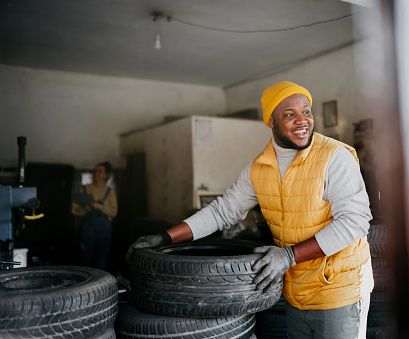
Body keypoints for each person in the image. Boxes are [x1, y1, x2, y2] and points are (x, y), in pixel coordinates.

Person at [125, 81, 373, 339]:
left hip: (342, 289)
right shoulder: (259, 168)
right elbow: (221, 212)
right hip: (296, 290)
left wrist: (288, 257)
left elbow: (355, 222)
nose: (302, 120)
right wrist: (164, 238)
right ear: (271, 122)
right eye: (290, 114)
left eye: (306, 111)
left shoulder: (335, 157)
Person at [73, 162, 118, 270]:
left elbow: (113, 212)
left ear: (106, 175)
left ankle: (101, 285)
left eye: (100, 171)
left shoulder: (109, 191)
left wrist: (98, 206)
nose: (96, 173)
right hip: (87, 230)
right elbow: (75, 211)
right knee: (85, 261)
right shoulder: (83, 189)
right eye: (95, 170)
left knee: (102, 261)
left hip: (104, 231)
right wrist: (88, 207)